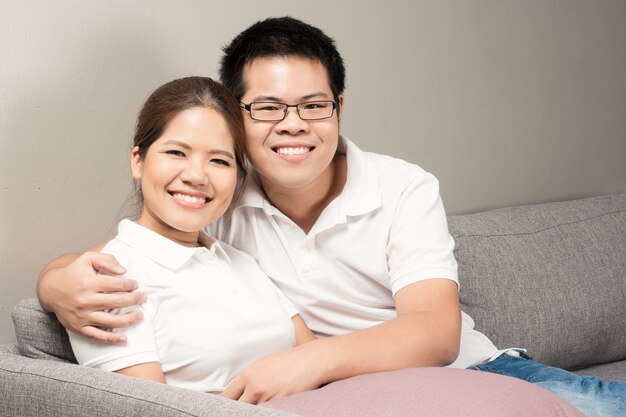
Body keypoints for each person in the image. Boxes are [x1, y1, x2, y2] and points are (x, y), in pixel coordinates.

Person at [37, 17, 625, 414]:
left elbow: (436, 333)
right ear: (238, 117)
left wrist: (304, 362)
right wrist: (57, 281)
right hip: (356, 399)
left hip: (478, 374)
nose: (292, 124)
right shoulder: (219, 200)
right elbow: (148, 244)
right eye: (267, 107)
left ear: (337, 108)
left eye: (313, 105)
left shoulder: (400, 186)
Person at [66, 75, 315, 394]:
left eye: (219, 160)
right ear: (138, 162)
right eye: (177, 153)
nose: (197, 176)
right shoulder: (110, 281)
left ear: (238, 179)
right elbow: (148, 408)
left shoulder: (242, 262)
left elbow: (315, 362)